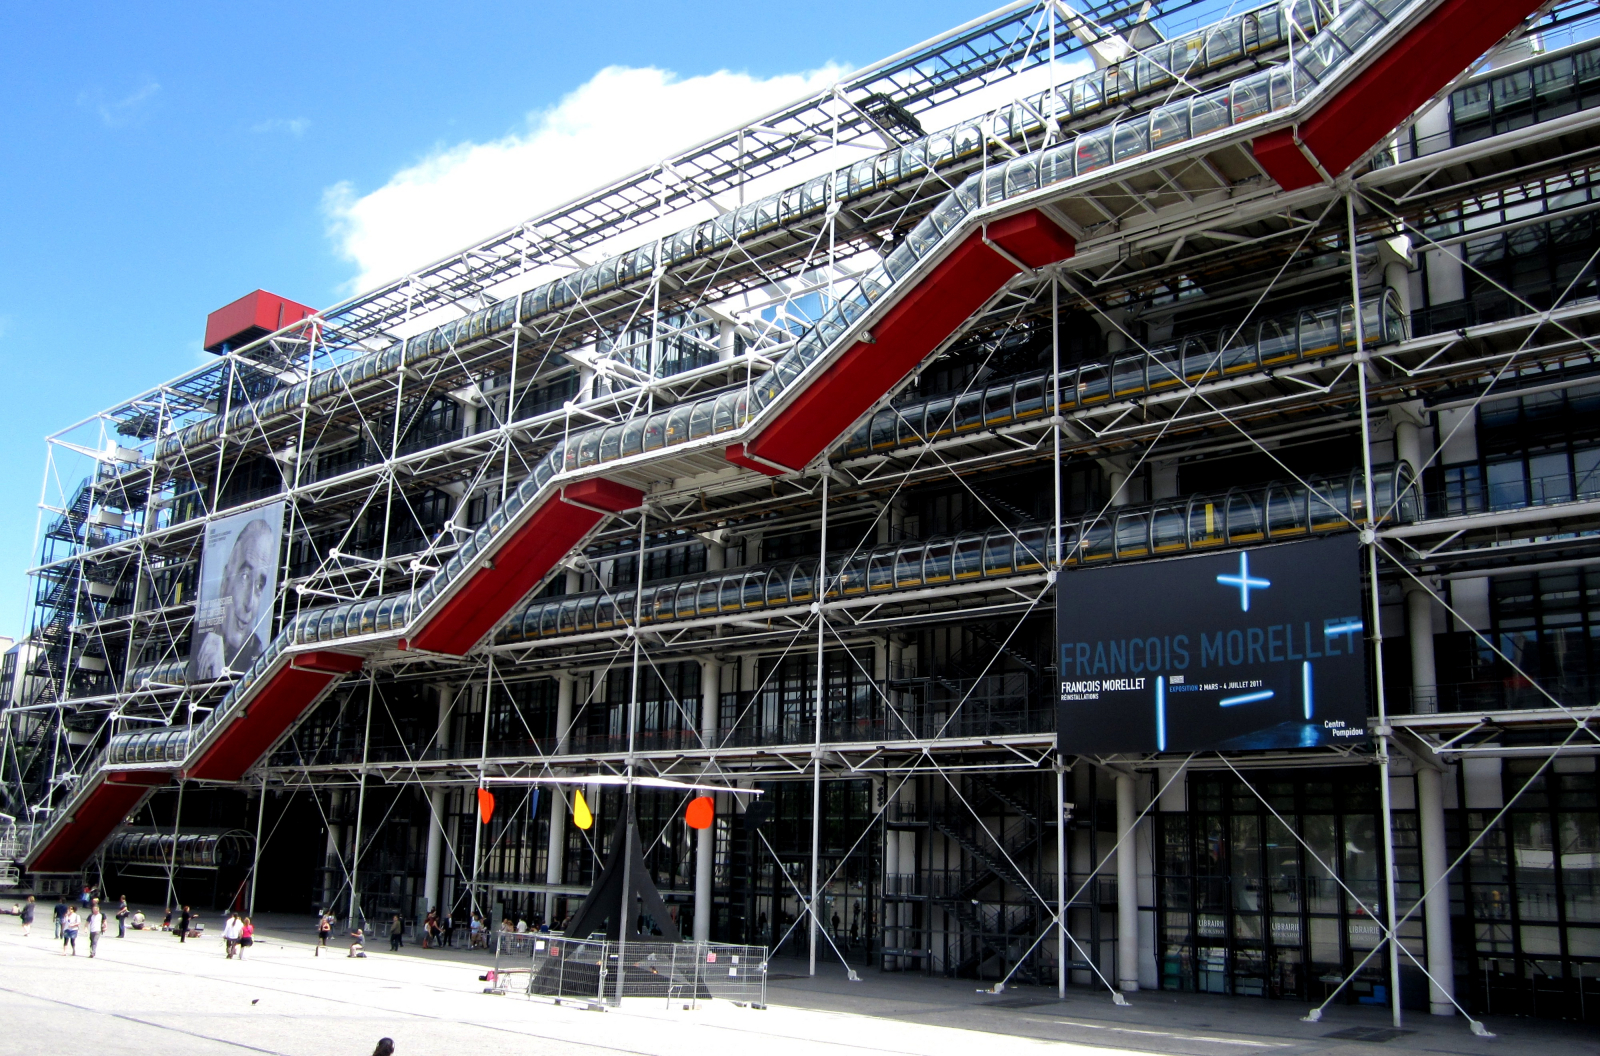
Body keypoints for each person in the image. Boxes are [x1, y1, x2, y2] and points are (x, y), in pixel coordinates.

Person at [190, 515, 276, 680]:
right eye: (244, 576)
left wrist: (220, 675)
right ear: (225, 580)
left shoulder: (260, 662)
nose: (249, 604)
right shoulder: (198, 638)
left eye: (259, 586)